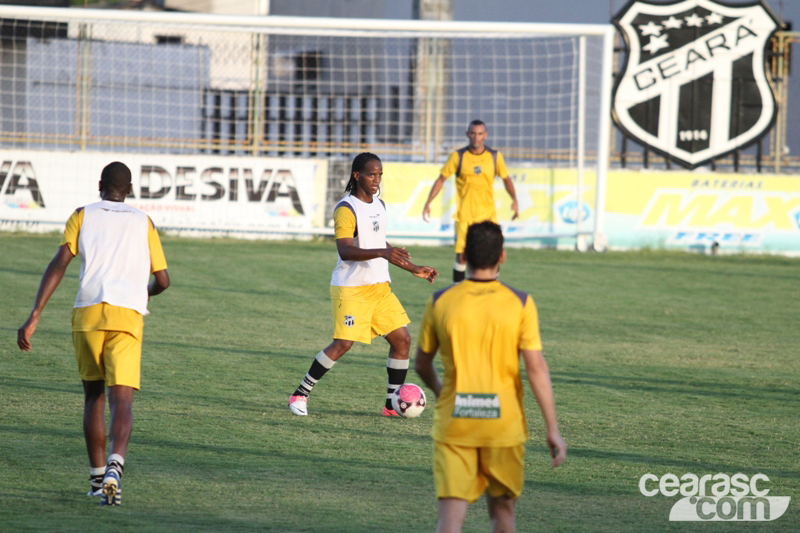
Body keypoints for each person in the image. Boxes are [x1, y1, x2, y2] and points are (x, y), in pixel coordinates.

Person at [17, 161, 170, 507]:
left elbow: (60, 261)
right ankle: (117, 465)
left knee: (93, 397)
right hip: (127, 315)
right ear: (129, 190)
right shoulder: (143, 221)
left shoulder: (81, 214)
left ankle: (98, 480)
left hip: (87, 313)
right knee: (123, 399)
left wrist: (34, 315)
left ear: (99, 184)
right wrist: (142, 292)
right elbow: (163, 280)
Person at [414, 221, 565, 533]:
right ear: (503, 256)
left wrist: (442, 390)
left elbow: (421, 365)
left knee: (449, 523)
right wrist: (552, 429)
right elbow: (536, 368)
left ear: (464, 255)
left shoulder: (440, 302)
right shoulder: (521, 303)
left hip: (456, 423)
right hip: (503, 427)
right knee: (503, 516)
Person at [289, 152, 438, 417]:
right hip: (351, 288)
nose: (376, 179)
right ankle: (300, 394)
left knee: (402, 339)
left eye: (379, 174)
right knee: (343, 344)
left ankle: (392, 403)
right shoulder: (346, 209)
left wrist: (413, 268)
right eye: (371, 174)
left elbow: (380, 243)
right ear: (357, 175)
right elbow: (346, 251)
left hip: (379, 288)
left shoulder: (379, 204)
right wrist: (382, 252)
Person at [422, 120, 519, 282]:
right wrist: (428, 202)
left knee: (493, 257)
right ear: (467, 134)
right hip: (465, 217)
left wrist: (515, 200)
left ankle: (491, 293)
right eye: (473, 133)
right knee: (462, 257)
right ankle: (457, 293)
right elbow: (441, 179)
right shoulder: (458, 156)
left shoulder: (494, 157)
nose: (476, 137)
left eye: (480, 133)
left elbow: (506, 179)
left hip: (488, 217)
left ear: (485, 135)